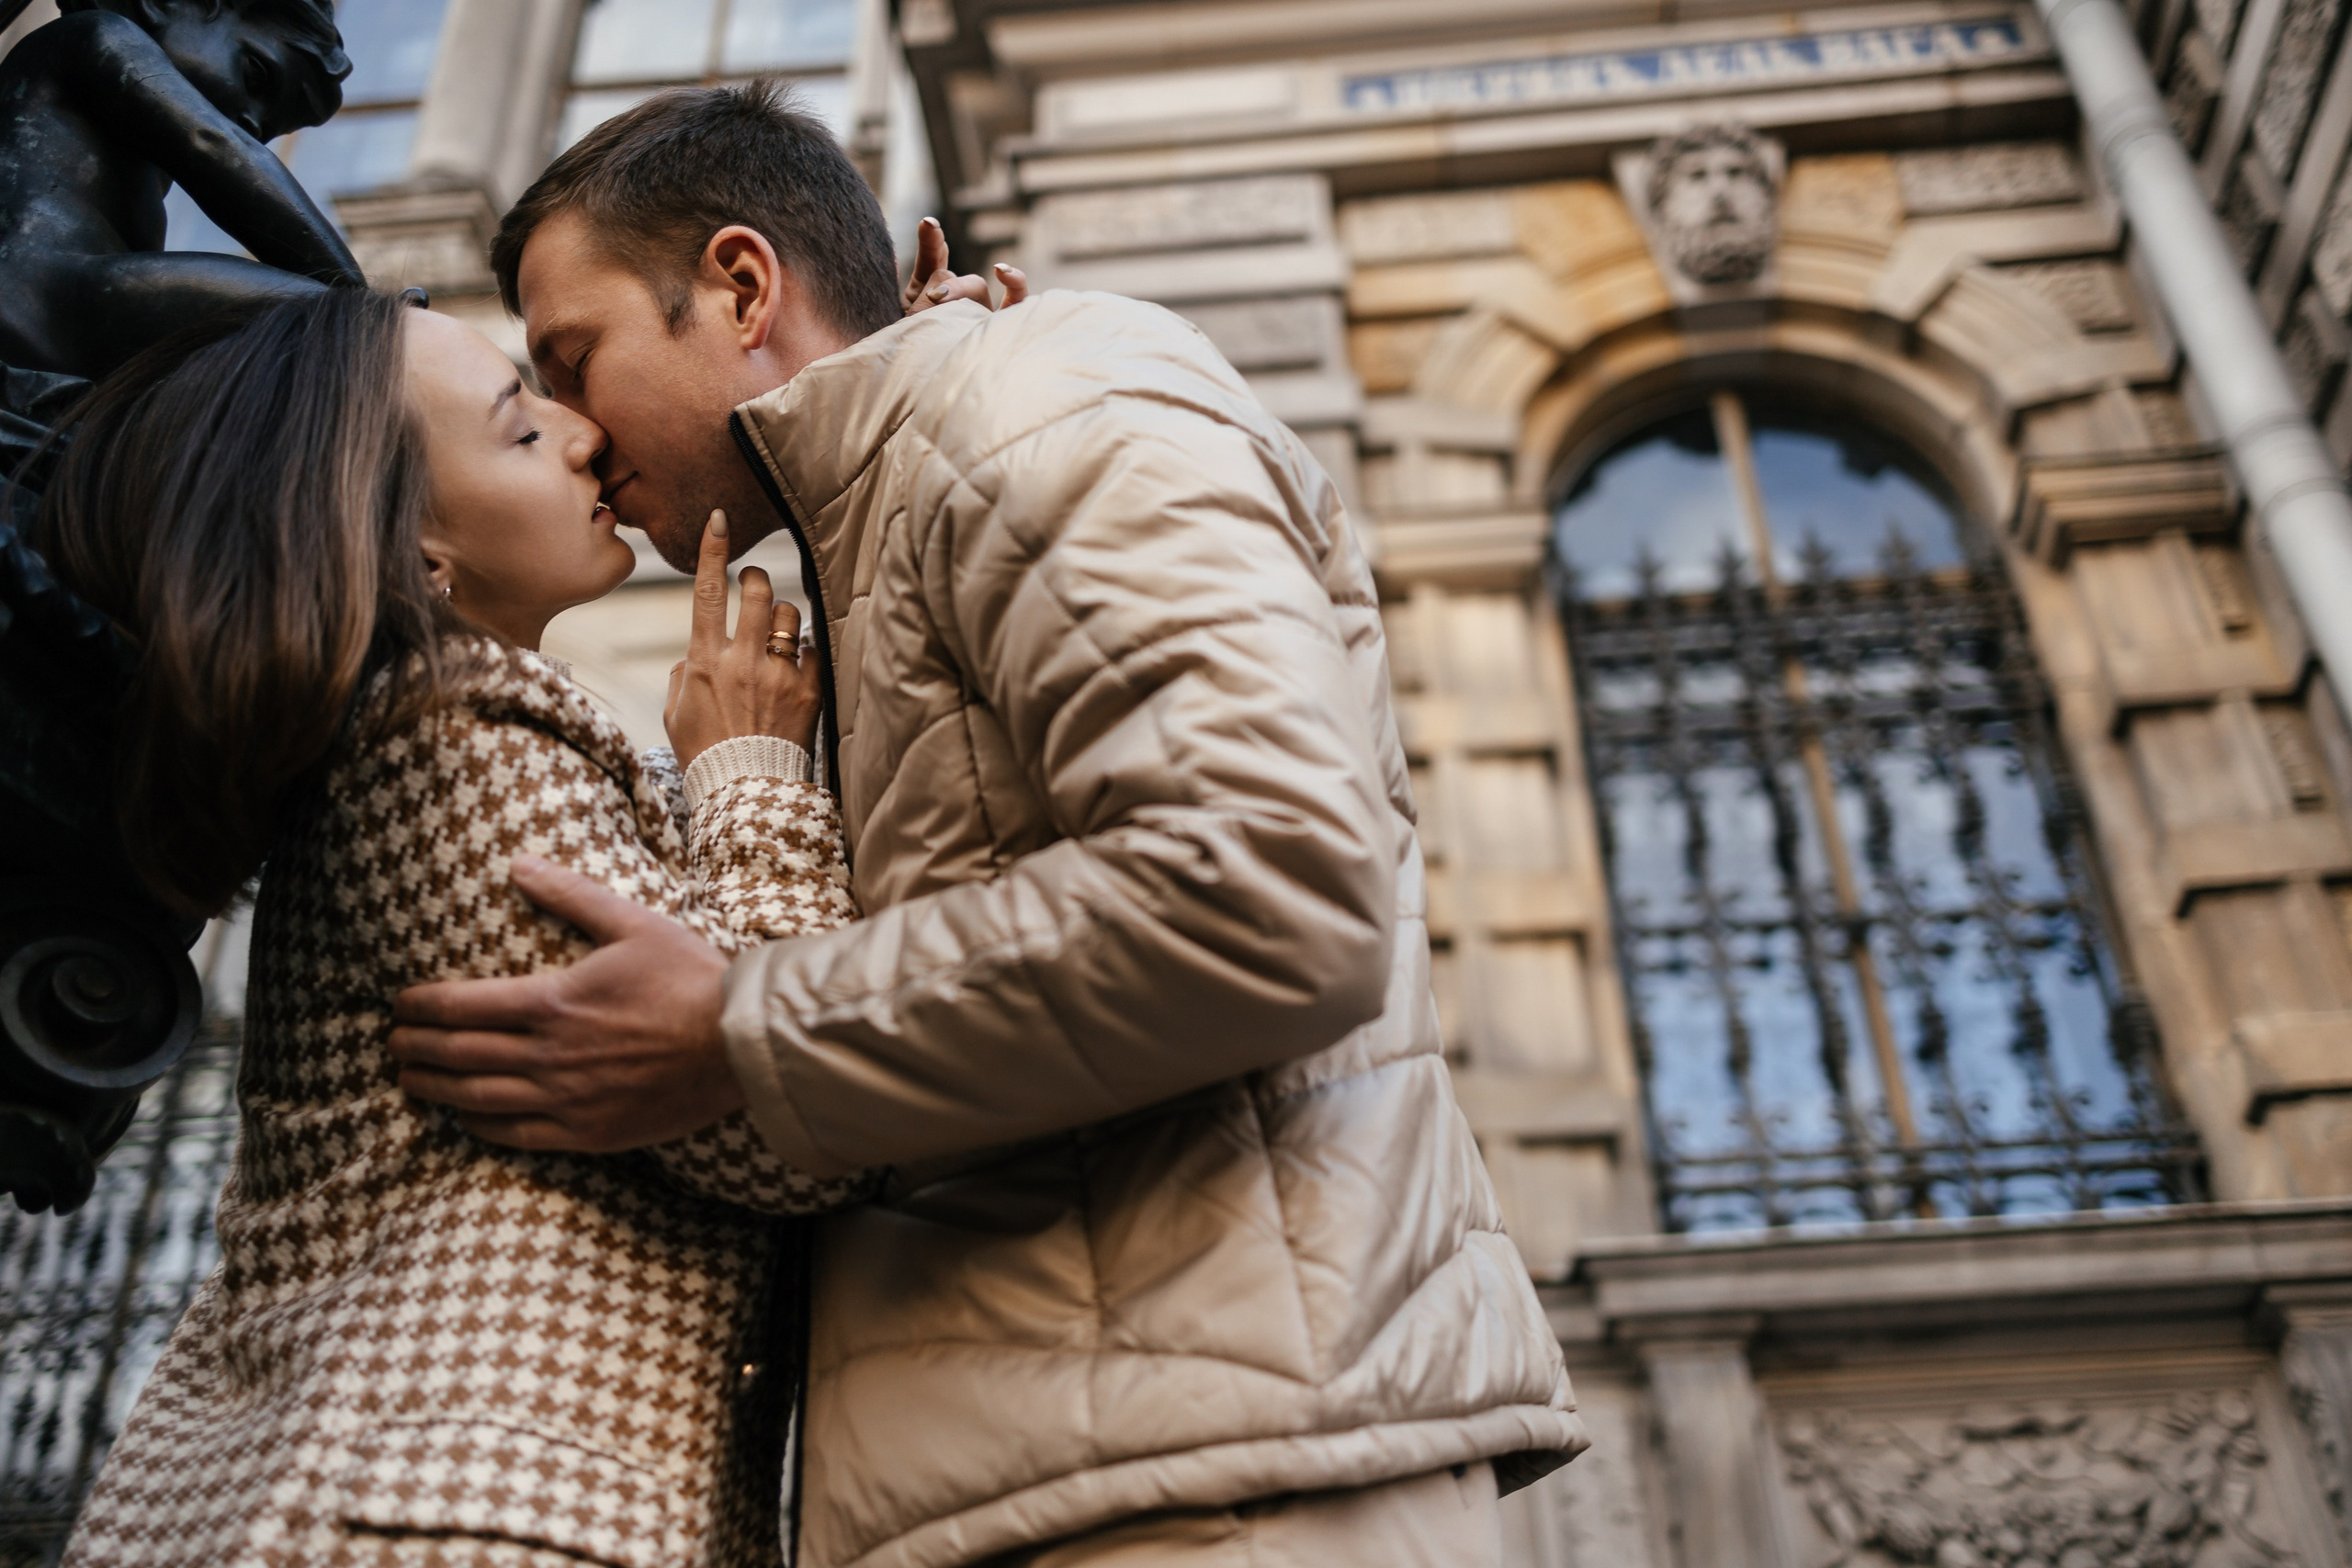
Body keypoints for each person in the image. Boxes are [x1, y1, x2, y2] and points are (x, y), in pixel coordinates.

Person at [391, 81, 1589, 1568]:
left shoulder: (1034, 403)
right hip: (1095, 1457)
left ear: (744, 287)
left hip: (1209, 1484)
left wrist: (738, 1030)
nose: (571, 427)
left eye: (575, 359)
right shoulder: (919, 474)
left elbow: (1269, 884)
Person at [42, 287, 865, 1567]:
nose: (583, 433)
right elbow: (790, 1115)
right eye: (522, 428)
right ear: (423, 551)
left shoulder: (458, 742)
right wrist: (750, 767)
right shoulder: (450, 742)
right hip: (448, 1514)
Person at [0, 0, 366, 383]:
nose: (251, 125)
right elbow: (211, 145)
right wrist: (355, 296)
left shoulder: (143, 167)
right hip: (32, 287)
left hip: (72, 301)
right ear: (162, 3)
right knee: (324, 314)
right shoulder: (96, 34)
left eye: (267, 129)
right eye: (255, 76)